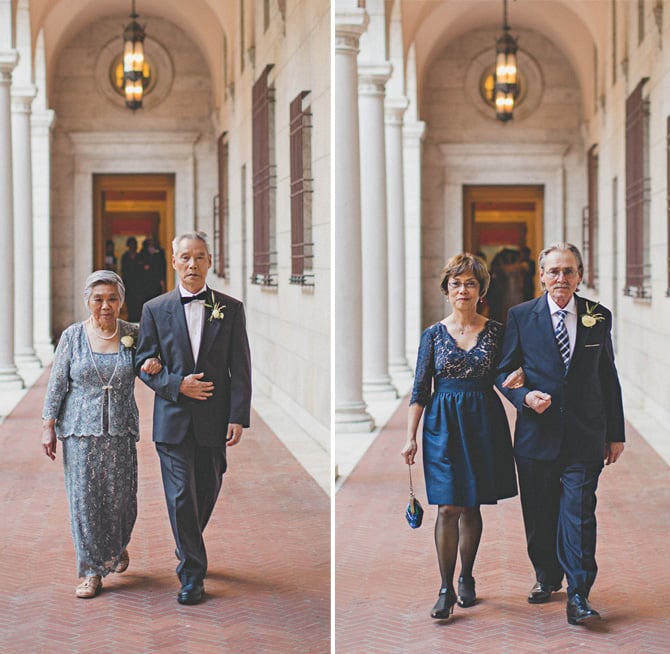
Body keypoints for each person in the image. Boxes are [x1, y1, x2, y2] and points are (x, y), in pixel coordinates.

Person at [494, 242, 625, 626]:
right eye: (553, 271)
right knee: (540, 514)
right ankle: (546, 575)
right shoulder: (520, 316)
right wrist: (522, 396)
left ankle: (579, 593)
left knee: (580, 514)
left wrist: (614, 432)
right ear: (542, 276)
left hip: (585, 434)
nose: (561, 279)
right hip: (536, 436)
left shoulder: (598, 316)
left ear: (580, 276)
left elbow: (608, 377)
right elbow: (503, 373)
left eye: (568, 271)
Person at [135, 231, 252, 605]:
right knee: (181, 495)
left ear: (210, 262)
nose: (192, 264)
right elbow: (143, 363)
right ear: (173, 262)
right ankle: (191, 576)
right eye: (185, 257)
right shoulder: (154, 309)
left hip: (214, 421)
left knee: (207, 490)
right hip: (172, 420)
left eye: (199, 257)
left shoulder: (230, 308)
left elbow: (240, 367)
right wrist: (175, 384)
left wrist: (238, 416)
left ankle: (188, 544)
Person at [401, 253, 521, 620]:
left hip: (484, 422)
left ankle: (467, 576)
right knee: (448, 505)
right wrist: (411, 437)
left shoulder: (498, 331)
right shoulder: (433, 335)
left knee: (471, 504)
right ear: (446, 289)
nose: (462, 289)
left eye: (470, 283)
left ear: (481, 289)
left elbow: (507, 375)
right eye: (455, 283)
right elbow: (420, 389)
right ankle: (445, 588)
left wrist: (523, 384)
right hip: (443, 426)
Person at [41, 270, 161, 598]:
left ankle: (118, 544)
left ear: (121, 301)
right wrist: (48, 424)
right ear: (87, 302)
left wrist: (153, 362)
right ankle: (91, 571)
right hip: (80, 430)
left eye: (112, 299)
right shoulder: (72, 337)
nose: (105, 306)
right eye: (98, 299)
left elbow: (157, 356)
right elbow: (58, 383)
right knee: (84, 502)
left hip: (120, 429)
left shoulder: (134, 333)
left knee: (122, 500)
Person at [121, 236, 143, 321]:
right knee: (130, 303)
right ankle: (130, 319)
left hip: (139, 284)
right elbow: (123, 270)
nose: (133, 246)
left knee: (138, 304)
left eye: (134, 244)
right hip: (128, 284)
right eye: (131, 244)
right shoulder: (125, 257)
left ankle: (137, 320)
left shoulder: (140, 256)